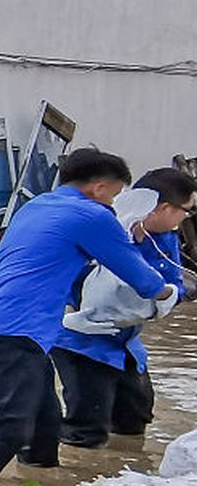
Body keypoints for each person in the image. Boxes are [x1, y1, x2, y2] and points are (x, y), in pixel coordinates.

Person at [0, 149, 176, 483]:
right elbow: (138, 276)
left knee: (45, 415)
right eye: (114, 195)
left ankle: (43, 474)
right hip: (17, 328)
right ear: (99, 187)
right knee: (19, 415)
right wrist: (169, 293)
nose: (114, 203)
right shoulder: (91, 215)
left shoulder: (36, 205)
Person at [50, 166, 196, 449]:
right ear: (165, 208)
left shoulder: (164, 240)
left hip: (125, 339)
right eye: (186, 211)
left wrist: (173, 294)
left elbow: (172, 284)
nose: (185, 219)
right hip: (79, 338)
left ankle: (125, 464)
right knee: (88, 426)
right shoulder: (102, 229)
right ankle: (71, 468)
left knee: (135, 415)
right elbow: (62, 280)